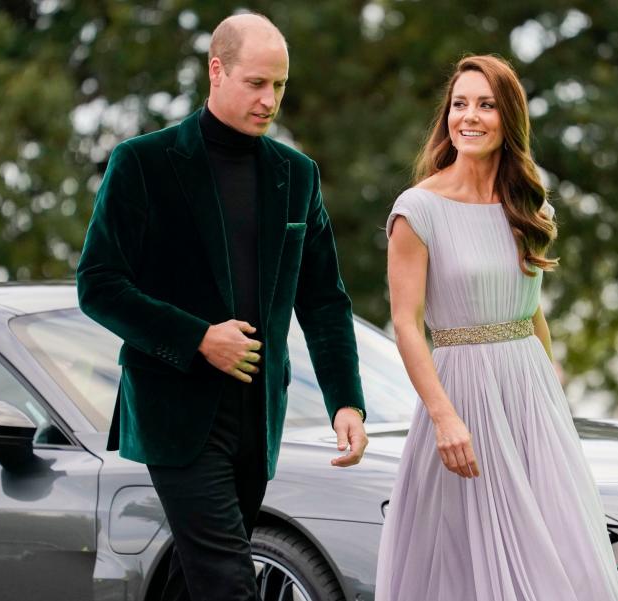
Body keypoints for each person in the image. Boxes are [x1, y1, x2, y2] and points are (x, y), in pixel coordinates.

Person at [76, 13, 368, 601]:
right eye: (257, 83)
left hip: (258, 416)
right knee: (229, 581)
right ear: (217, 70)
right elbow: (99, 284)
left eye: (280, 86)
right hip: (175, 411)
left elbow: (324, 299)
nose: (270, 100)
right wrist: (199, 338)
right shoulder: (144, 163)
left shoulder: (298, 175)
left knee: (195, 581)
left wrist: (345, 400)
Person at [375, 55, 618, 600]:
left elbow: (531, 311)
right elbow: (406, 324)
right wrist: (444, 418)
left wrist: (554, 400)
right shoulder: (416, 210)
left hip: (531, 399)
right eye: (459, 104)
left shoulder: (530, 207)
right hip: (462, 398)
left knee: (560, 560)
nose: (470, 117)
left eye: (486, 105)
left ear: (508, 118)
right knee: (466, 566)